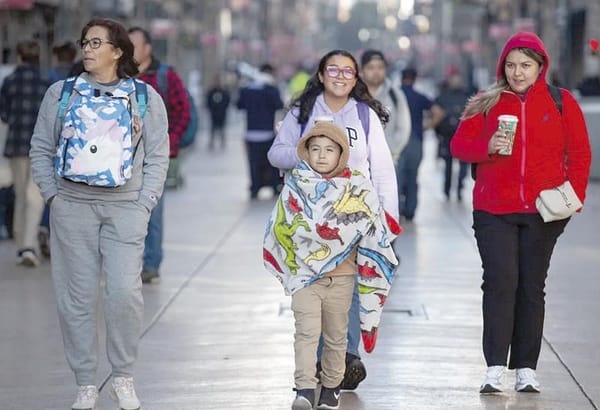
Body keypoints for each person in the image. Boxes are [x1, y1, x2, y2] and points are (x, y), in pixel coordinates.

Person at [29, 18, 169, 410]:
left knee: (125, 293)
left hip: (126, 208)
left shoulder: (144, 97)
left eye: (96, 43)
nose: (87, 49)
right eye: (84, 42)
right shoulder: (62, 93)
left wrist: (145, 203)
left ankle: (122, 376)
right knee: (76, 298)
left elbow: (158, 155)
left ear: (117, 51)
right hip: (72, 207)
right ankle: (86, 382)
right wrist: (54, 197)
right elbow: (40, 147)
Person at [450, 31, 591, 394]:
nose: (518, 72)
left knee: (531, 287)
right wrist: (488, 146)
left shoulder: (561, 102)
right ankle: (495, 366)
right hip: (493, 209)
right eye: (511, 65)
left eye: (526, 66)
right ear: (503, 67)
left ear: (540, 66)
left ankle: (526, 368)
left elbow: (580, 153)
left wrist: (574, 196)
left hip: (544, 212)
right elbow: (459, 145)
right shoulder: (486, 101)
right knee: (500, 282)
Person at [268, 49, 399, 393]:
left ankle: (346, 358)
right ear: (322, 74)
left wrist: (389, 217)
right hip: (309, 218)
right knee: (314, 286)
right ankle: (322, 359)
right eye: (333, 70)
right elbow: (276, 153)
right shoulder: (304, 112)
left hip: (354, 217)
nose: (340, 77)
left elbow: (382, 169)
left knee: (350, 286)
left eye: (348, 72)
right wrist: (308, 154)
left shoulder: (365, 115)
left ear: (356, 79)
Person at [128, 26, 191, 284]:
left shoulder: (164, 76)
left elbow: (183, 112)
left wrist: (169, 142)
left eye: (133, 45)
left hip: (154, 157)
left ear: (147, 49)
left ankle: (151, 263)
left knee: (152, 210)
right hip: (122, 158)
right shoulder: (119, 78)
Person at [0, 40, 50, 267]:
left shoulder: (9, 82)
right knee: (35, 196)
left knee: (21, 195)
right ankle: (29, 246)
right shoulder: (45, 82)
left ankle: (22, 245)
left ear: (19, 56)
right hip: (40, 147)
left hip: (17, 145)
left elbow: (4, 114)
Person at [39, 41, 79, 258]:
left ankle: (46, 223)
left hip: (53, 140)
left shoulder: (50, 78)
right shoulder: (77, 78)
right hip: (74, 147)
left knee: (52, 185)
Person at [397, 67, 444, 222]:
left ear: (401, 78)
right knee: (412, 176)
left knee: (397, 175)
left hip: (397, 140)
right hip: (415, 139)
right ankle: (410, 210)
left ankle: (398, 208)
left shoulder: (395, 95)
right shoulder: (419, 97)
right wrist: (426, 127)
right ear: (414, 79)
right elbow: (438, 113)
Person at [237, 63, 284, 199]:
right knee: (272, 162)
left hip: (251, 133)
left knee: (253, 163)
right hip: (267, 133)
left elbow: (239, 105)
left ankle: (255, 187)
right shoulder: (270, 89)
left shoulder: (247, 89)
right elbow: (279, 105)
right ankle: (275, 186)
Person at [360, 49, 411, 162]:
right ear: (362, 70)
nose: (376, 72)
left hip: (387, 161)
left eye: (380, 67)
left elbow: (404, 127)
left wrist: (392, 150)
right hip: (357, 165)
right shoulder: (353, 95)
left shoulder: (395, 95)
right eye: (371, 67)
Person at [434, 71, 471, 201]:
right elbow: (436, 115)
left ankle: (458, 188)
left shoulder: (467, 96)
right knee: (449, 165)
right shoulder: (444, 96)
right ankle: (448, 189)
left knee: (462, 165)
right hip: (448, 136)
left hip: (462, 137)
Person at [205, 75, 231, 150]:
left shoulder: (224, 91)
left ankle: (223, 142)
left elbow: (227, 100)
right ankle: (211, 142)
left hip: (222, 113)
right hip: (214, 114)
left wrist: (223, 108)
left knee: (222, 129)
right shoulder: (211, 91)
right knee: (212, 129)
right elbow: (208, 101)